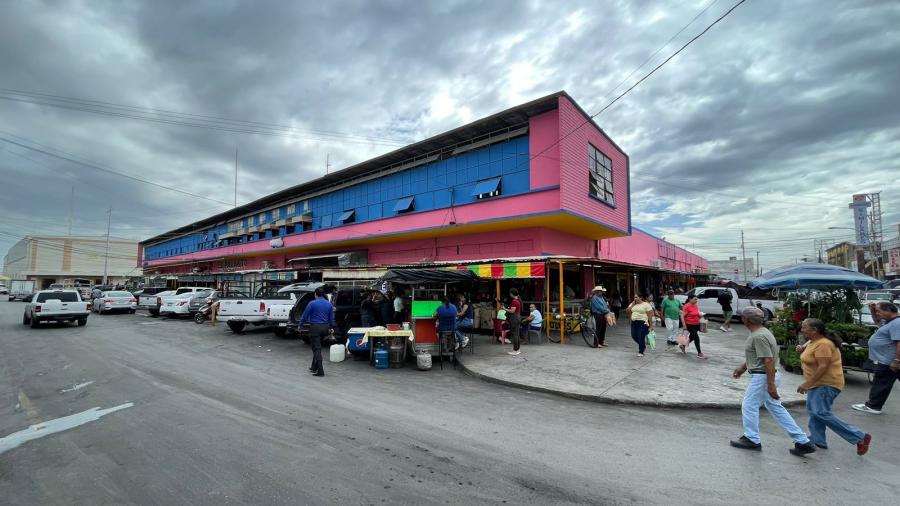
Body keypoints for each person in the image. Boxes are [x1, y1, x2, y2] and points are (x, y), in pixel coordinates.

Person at [730, 307, 816, 456]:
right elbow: (761, 356)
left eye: (742, 317)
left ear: (747, 320)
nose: (741, 319)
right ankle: (803, 441)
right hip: (764, 375)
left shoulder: (758, 336)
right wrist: (743, 368)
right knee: (776, 407)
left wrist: (770, 385)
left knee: (749, 405)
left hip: (762, 376)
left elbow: (768, 360)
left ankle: (752, 439)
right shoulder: (762, 333)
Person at [796, 318, 871, 454]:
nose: (802, 329)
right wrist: (802, 350)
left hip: (826, 383)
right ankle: (817, 440)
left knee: (820, 412)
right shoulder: (813, 341)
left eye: (804, 327)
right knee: (815, 412)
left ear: (815, 330)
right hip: (817, 383)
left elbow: (823, 366)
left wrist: (807, 384)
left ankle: (859, 436)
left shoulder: (824, 344)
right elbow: (811, 356)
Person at [851, 302, 900, 415]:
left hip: (889, 361)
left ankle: (873, 406)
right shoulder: (889, 321)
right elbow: (877, 322)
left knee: (881, 382)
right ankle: (874, 405)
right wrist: (873, 311)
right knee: (881, 381)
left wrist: (896, 361)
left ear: (889, 310)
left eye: (879, 311)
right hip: (888, 360)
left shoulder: (897, 323)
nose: (877, 313)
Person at [299, 287, 336, 377]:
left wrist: (300, 325)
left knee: (316, 349)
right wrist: (331, 327)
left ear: (316, 294)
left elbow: (305, 315)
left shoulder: (312, 303)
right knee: (317, 347)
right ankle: (313, 367)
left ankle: (320, 371)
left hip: (315, 328)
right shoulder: (329, 304)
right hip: (325, 328)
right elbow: (332, 318)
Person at [506, 288, 523, 356]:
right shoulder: (518, 300)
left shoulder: (514, 301)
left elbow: (512, 311)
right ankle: (517, 349)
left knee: (515, 335)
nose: (510, 294)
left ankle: (515, 350)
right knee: (517, 334)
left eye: (510, 293)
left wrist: (504, 308)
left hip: (514, 318)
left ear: (512, 294)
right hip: (518, 317)